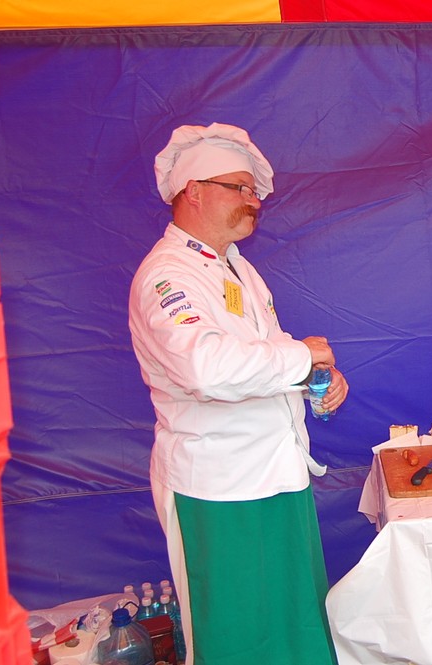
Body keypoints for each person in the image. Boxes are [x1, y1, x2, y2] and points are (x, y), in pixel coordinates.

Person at [128, 122, 347, 665]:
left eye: (253, 190)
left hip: (275, 475)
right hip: (220, 488)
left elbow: (262, 357)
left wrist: (315, 379)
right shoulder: (167, 276)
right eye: (240, 188)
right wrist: (302, 357)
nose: (254, 201)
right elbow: (204, 366)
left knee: (294, 622)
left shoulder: (238, 270)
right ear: (194, 191)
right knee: (239, 634)